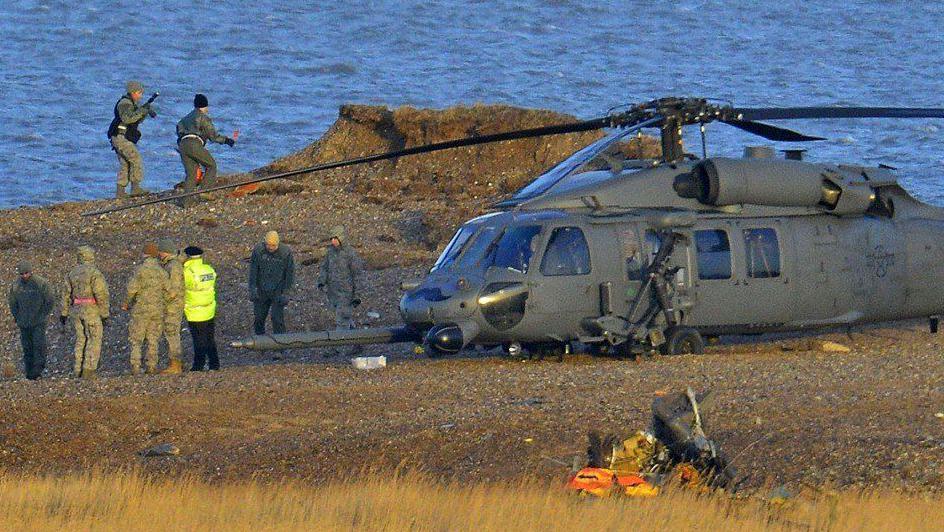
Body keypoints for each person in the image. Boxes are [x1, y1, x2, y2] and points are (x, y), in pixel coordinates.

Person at [175, 93, 236, 207]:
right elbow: (213, 136)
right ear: (204, 106)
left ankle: (186, 202)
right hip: (194, 143)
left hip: (183, 144)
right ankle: (204, 191)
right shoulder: (203, 117)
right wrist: (227, 140)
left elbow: (179, 130)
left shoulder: (185, 118)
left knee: (191, 174)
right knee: (211, 165)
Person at [60, 246, 110, 379]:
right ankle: (89, 370)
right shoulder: (94, 273)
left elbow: (65, 295)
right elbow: (101, 294)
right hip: (92, 310)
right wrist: (105, 314)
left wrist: (64, 313)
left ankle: (77, 368)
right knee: (94, 339)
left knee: (80, 339)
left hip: (76, 311)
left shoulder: (71, 273)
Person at [121, 243, 168, 375]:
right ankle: (151, 366)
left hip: (140, 309)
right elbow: (169, 290)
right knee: (153, 339)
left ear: (145, 255)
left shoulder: (139, 270)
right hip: (157, 309)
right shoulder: (161, 271)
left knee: (136, 339)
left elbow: (131, 289)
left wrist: (126, 303)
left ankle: (136, 366)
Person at [317, 226, 364, 356]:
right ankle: (358, 342)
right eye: (331, 238)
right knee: (346, 319)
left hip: (347, 293)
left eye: (335, 238)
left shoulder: (350, 254)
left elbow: (358, 275)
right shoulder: (330, 253)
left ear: (341, 238)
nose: (333, 241)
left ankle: (335, 347)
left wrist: (357, 295)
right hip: (333, 293)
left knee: (341, 319)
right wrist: (321, 281)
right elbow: (324, 268)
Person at [7, 261, 56, 380]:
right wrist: (17, 317)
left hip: (38, 321)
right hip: (23, 322)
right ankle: (29, 371)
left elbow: (49, 300)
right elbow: (13, 303)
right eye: (22, 273)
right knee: (27, 347)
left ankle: (38, 370)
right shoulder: (16, 285)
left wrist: (42, 315)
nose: (24, 276)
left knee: (39, 345)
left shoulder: (41, 283)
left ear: (31, 271)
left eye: (26, 273)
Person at [107, 80, 156, 198]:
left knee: (125, 164)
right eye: (139, 93)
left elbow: (135, 120)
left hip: (120, 137)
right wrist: (142, 110)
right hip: (121, 137)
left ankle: (120, 192)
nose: (140, 96)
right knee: (136, 159)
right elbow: (128, 118)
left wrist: (145, 111)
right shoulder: (125, 103)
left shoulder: (130, 103)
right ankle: (135, 188)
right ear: (133, 92)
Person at [249, 231, 295, 336]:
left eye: (273, 245)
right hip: (261, 289)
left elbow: (290, 273)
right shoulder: (258, 251)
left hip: (278, 290)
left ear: (278, 244)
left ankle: (281, 344)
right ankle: (260, 342)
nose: (270, 247)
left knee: (277, 318)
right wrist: (252, 289)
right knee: (259, 317)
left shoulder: (285, 253)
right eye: (268, 245)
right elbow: (253, 271)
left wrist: (286, 292)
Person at [183, 246, 219, 371]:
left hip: (195, 310)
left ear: (187, 256)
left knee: (198, 339)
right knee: (209, 337)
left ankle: (198, 365)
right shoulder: (208, 269)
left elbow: (182, 287)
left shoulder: (187, 271)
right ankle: (214, 364)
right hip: (209, 308)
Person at [158, 239, 185, 374]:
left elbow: (173, 290)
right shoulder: (171, 265)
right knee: (171, 333)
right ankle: (175, 363)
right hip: (173, 304)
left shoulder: (173, 266)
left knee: (171, 332)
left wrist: (162, 301)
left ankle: (175, 365)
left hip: (173, 306)